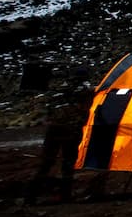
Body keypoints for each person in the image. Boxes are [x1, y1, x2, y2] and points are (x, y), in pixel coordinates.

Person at [25, 67, 95, 204]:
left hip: (54, 129)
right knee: (68, 162)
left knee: (46, 162)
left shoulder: (59, 88)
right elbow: (87, 102)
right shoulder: (84, 88)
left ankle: (31, 196)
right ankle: (65, 194)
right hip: (71, 129)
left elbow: (48, 107)